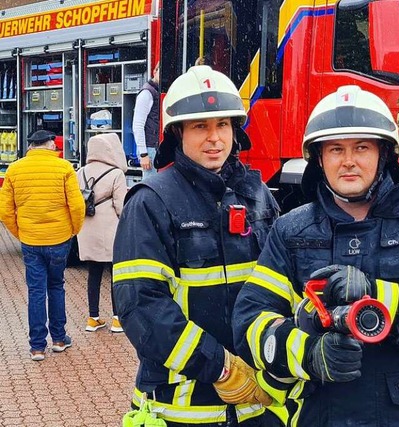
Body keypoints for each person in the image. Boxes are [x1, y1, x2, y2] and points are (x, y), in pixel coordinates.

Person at [232, 85, 399, 426]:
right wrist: (309, 355)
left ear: (384, 153)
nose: (348, 161)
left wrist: (383, 299)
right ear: (318, 158)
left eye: (361, 147)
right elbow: (249, 324)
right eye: (335, 149)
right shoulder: (290, 232)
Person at [112, 66, 281, 426]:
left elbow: (283, 285)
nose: (215, 138)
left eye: (223, 125)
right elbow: (141, 306)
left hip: (257, 404)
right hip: (183, 408)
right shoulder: (150, 202)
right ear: (178, 133)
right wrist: (219, 366)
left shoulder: (257, 194)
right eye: (200, 126)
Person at [0, 129, 85, 361]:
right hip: (59, 239)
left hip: (30, 240)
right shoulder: (65, 168)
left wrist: (20, 232)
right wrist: (73, 230)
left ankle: (37, 347)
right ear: (50, 145)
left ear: (30, 147)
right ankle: (59, 339)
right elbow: (77, 206)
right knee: (56, 286)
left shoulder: (15, 169)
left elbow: (5, 209)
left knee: (36, 290)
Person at [76, 133, 128, 333]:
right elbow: (121, 206)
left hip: (87, 229)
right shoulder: (116, 174)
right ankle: (117, 319)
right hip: (111, 230)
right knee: (116, 275)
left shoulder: (80, 171)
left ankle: (93, 318)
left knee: (94, 274)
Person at [133, 61, 160, 178]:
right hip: (150, 149)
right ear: (154, 71)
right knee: (150, 188)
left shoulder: (156, 92)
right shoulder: (147, 93)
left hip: (155, 148)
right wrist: (144, 154)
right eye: (160, 71)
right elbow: (138, 125)